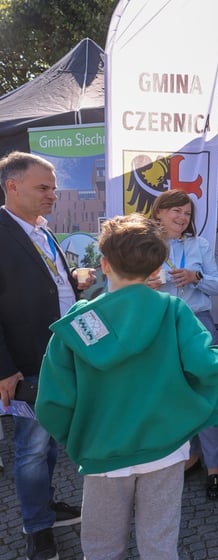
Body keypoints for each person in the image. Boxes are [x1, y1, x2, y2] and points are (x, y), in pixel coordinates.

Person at [34, 213, 218, 559]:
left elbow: (51, 401)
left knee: (101, 548)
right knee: (159, 545)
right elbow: (206, 366)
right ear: (156, 269)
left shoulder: (79, 322)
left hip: (102, 451)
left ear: (105, 264)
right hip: (165, 448)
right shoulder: (173, 310)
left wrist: (80, 437)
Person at [0, 151, 94, 560]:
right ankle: (37, 529)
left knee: (50, 440)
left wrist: (72, 280)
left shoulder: (42, 228)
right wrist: (4, 369)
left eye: (54, 188)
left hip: (59, 357)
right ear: (12, 186)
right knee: (33, 449)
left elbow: (42, 283)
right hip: (27, 363)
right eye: (43, 187)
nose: (52, 195)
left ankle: (47, 506)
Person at [148, 189, 218, 499]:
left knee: (206, 394)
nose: (183, 218)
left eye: (187, 213)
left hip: (198, 325)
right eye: (176, 211)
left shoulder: (199, 245)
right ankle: (186, 457)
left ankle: (214, 468)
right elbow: (129, 284)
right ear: (159, 212)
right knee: (171, 397)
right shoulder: (146, 244)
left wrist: (196, 277)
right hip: (162, 326)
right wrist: (158, 280)